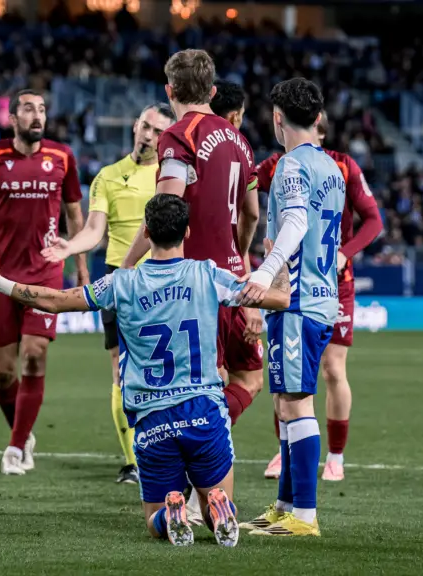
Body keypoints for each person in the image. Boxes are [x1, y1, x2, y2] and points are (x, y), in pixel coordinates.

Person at [0, 194, 293, 547]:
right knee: (217, 507)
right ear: (187, 232)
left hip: (152, 419)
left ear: (145, 232)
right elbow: (279, 299)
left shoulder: (120, 284)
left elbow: (54, 301)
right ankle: (218, 508)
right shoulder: (208, 274)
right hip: (203, 412)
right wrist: (280, 268)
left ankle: (170, 513)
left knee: (153, 521)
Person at [0, 89, 88, 475]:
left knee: (35, 354)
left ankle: (14, 448)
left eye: (42, 109)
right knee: (3, 371)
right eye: (28, 109)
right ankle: (23, 433)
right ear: (12, 118)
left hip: (46, 272)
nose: (37, 115)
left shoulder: (63, 156)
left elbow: (74, 214)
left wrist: (80, 265)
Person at [122, 52, 264, 430]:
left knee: (199, 386)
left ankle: (186, 451)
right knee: (249, 378)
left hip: (194, 283)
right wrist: (237, 254)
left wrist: (128, 262)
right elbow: (252, 214)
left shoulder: (178, 135)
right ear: (212, 91)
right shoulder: (240, 140)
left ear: (170, 91)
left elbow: (166, 210)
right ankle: (205, 446)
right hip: (232, 280)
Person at [41, 103, 176, 484]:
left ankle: (167, 452)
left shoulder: (173, 177)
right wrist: (70, 247)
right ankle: (134, 462)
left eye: (158, 132)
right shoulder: (108, 177)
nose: (148, 136)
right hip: (121, 281)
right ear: (135, 125)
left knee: (167, 372)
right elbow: (94, 230)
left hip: (164, 279)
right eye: (145, 126)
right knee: (121, 371)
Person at [237, 77, 344, 537]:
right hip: (319, 297)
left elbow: (298, 221)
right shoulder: (333, 168)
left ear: (277, 119)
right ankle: (284, 506)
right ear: (317, 118)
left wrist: (264, 272)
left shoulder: (290, 165)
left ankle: (304, 515)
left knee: (297, 404)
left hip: (299, 301)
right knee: (285, 403)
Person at [253, 113, 382, 482]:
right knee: (286, 369)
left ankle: (335, 455)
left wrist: (345, 253)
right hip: (291, 283)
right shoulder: (279, 164)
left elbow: (373, 221)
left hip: (336, 282)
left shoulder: (343, 165)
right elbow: (244, 182)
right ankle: (286, 452)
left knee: (333, 369)